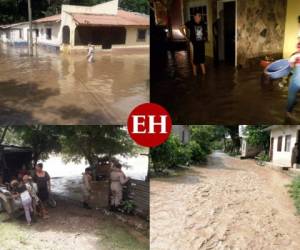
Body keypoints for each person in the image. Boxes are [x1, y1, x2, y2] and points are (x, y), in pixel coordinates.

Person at [286, 42, 300, 118]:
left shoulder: (295, 56)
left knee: (291, 96)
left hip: (296, 80)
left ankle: (288, 112)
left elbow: (290, 67)